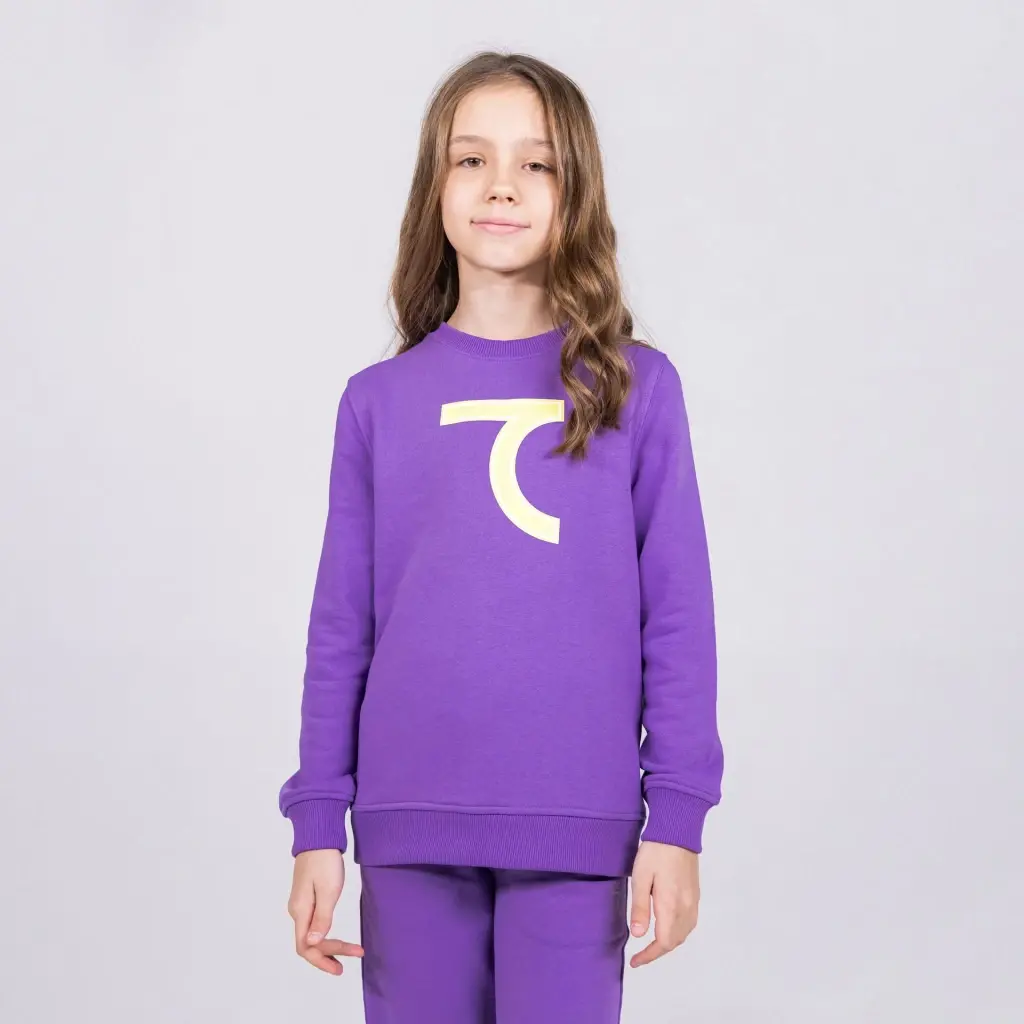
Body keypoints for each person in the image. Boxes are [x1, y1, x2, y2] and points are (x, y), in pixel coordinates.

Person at [277, 49, 725, 1024]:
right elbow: (340, 628)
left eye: (537, 163)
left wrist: (679, 817)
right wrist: (316, 821)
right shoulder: (377, 402)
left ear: (576, 190)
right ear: (434, 186)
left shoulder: (637, 390)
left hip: (577, 821)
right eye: (472, 159)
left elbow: (678, 619)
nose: (502, 186)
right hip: (407, 822)